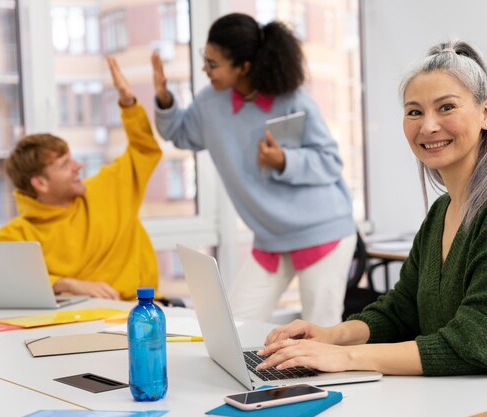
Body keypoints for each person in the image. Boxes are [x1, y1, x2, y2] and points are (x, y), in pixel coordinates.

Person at [256, 40, 487, 398]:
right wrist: (329, 335)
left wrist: (344, 356)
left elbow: (479, 339)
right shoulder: (442, 211)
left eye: (446, 107)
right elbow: (400, 311)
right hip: (462, 394)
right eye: (414, 112)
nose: (428, 126)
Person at [152, 13, 356, 326]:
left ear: (244, 66)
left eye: (213, 64)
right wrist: (165, 99)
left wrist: (284, 161)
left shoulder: (292, 99)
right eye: (204, 60)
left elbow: (330, 162)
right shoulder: (210, 103)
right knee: (229, 327)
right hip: (271, 238)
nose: (205, 70)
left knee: (321, 334)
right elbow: (181, 134)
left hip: (322, 232)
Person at [0, 57, 162, 301]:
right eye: (65, 164)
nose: (78, 166)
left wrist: (128, 104)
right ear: (40, 183)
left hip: (135, 312)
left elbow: (144, 150)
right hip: (73, 322)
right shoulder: (18, 235)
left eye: (72, 158)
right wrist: (64, 283)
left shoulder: (107, 188)